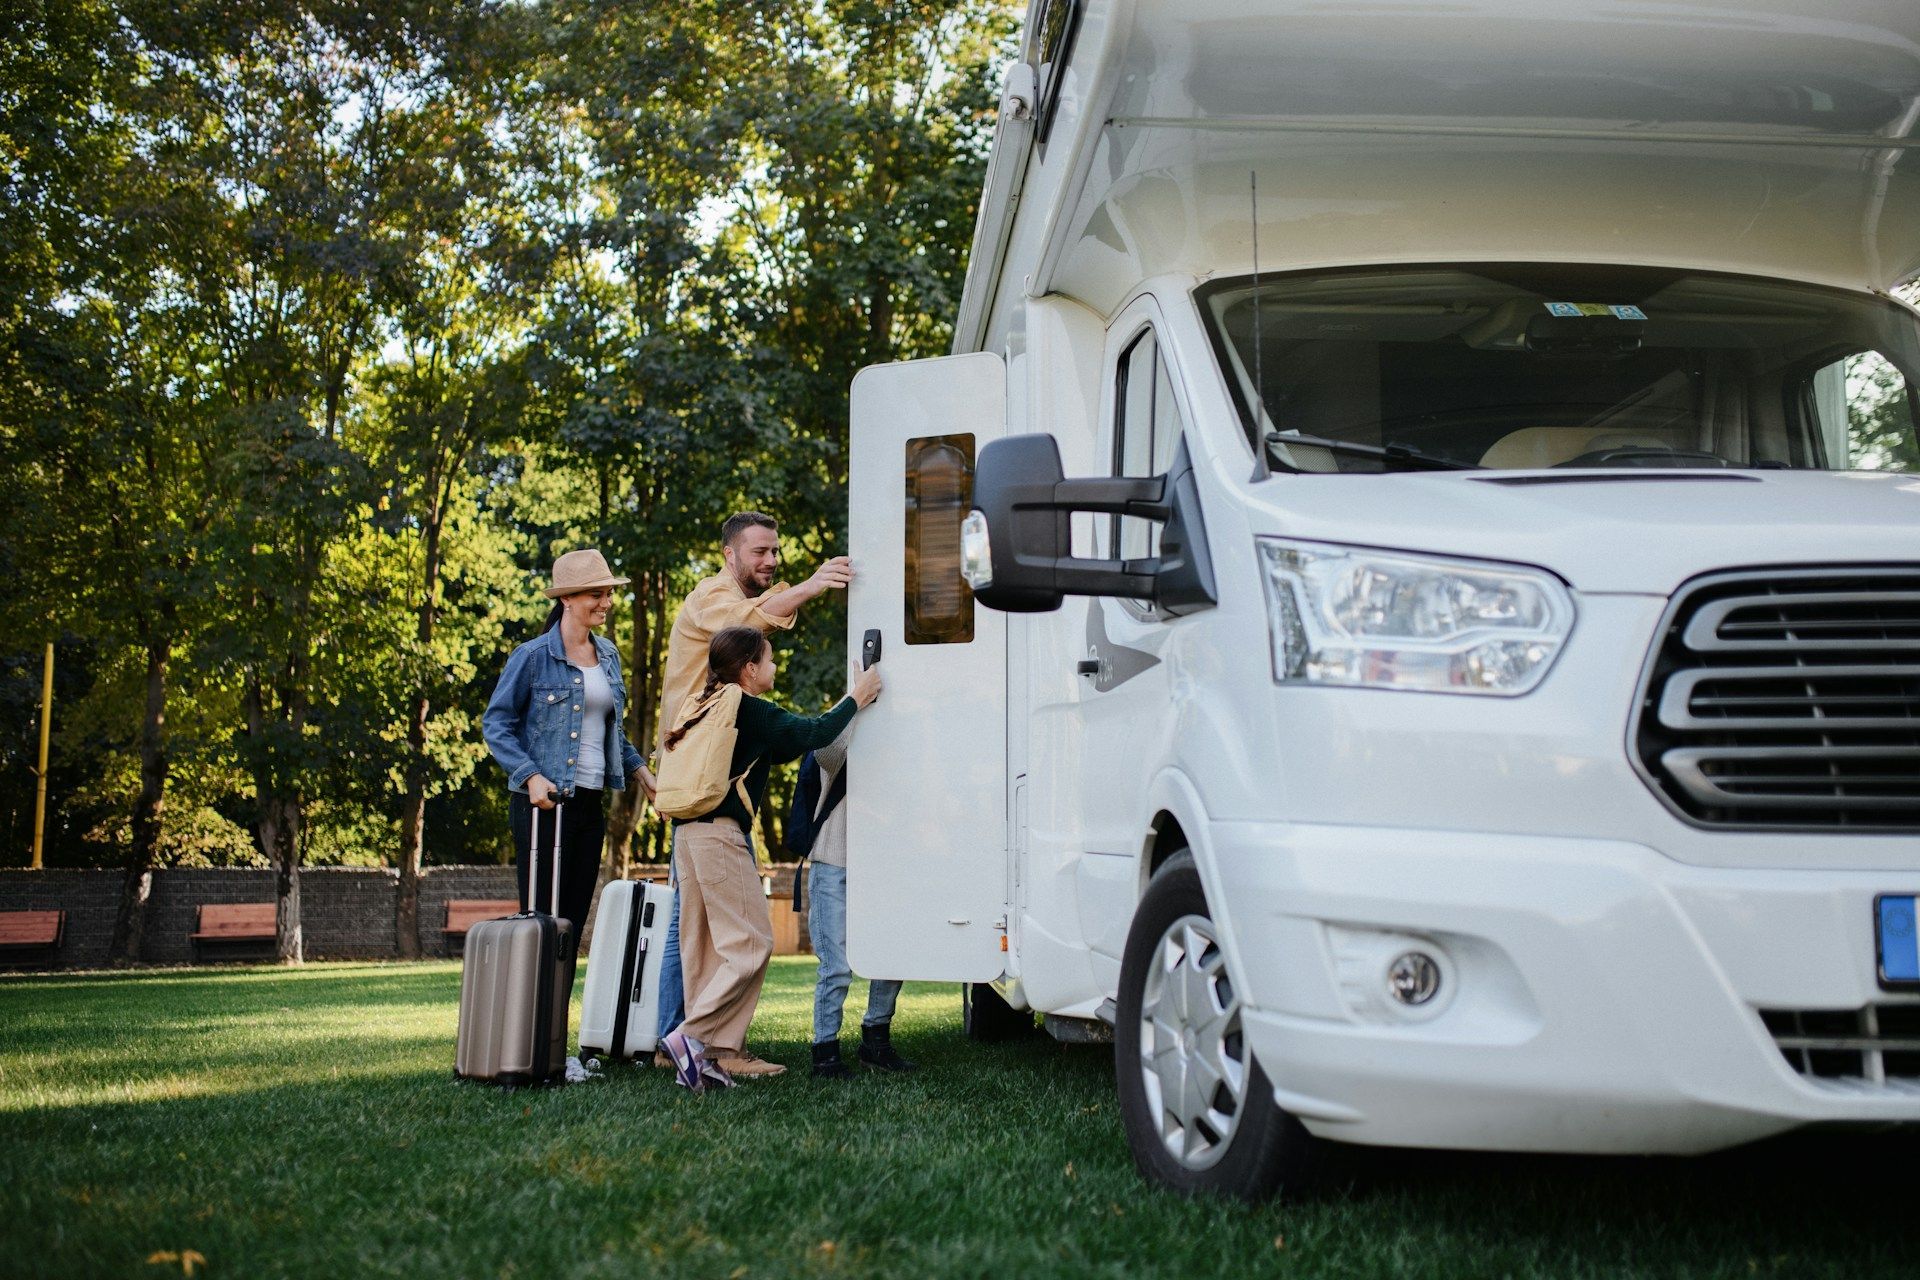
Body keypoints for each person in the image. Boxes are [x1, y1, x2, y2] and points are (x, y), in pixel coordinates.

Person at [651, 511, 853, 1062]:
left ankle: (685, 1043)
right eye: (759, 551)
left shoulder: (742, 692)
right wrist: (859, 694)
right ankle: (686, 1038)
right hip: (703, 788)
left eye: (774, 551)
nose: (770, 561)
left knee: (690, 930)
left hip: (697, 792)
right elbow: (755, 622)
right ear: (729, 554)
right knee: (710, 935)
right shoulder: (710, 599)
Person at [659, 626, 881, 1092]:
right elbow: (814, 731)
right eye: (771, 659)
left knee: (703, 948)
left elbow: (782, 747)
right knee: (753, 942)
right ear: (749, 668)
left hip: (686, 836)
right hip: (720, 837)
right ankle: (691, 1037)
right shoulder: (747, 705)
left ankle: (713, 1057)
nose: (776, 667)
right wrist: (856, 698)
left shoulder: (704, 703)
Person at [481, 548, 655, 980]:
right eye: (597, 594)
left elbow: (612, 734)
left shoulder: (609, 656)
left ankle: (557, 1040)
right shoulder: (533, 656)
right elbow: (497, 723)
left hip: (589, 803)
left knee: (571, 926)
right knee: (541, 922)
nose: (607, 602)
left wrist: (646, 778)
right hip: (544, 805)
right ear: (567, 599)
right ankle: (533, 1037)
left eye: (609, 593)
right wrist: (531, 776)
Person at [804, 725, 914, 1078]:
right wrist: (860, 698)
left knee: (892, 955)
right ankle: (825, 1053)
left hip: (881, 867)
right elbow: (824, 749)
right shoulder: (841, 743)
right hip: (834, 865)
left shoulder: (896, 751)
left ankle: (875, 1043)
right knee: (836, 966)